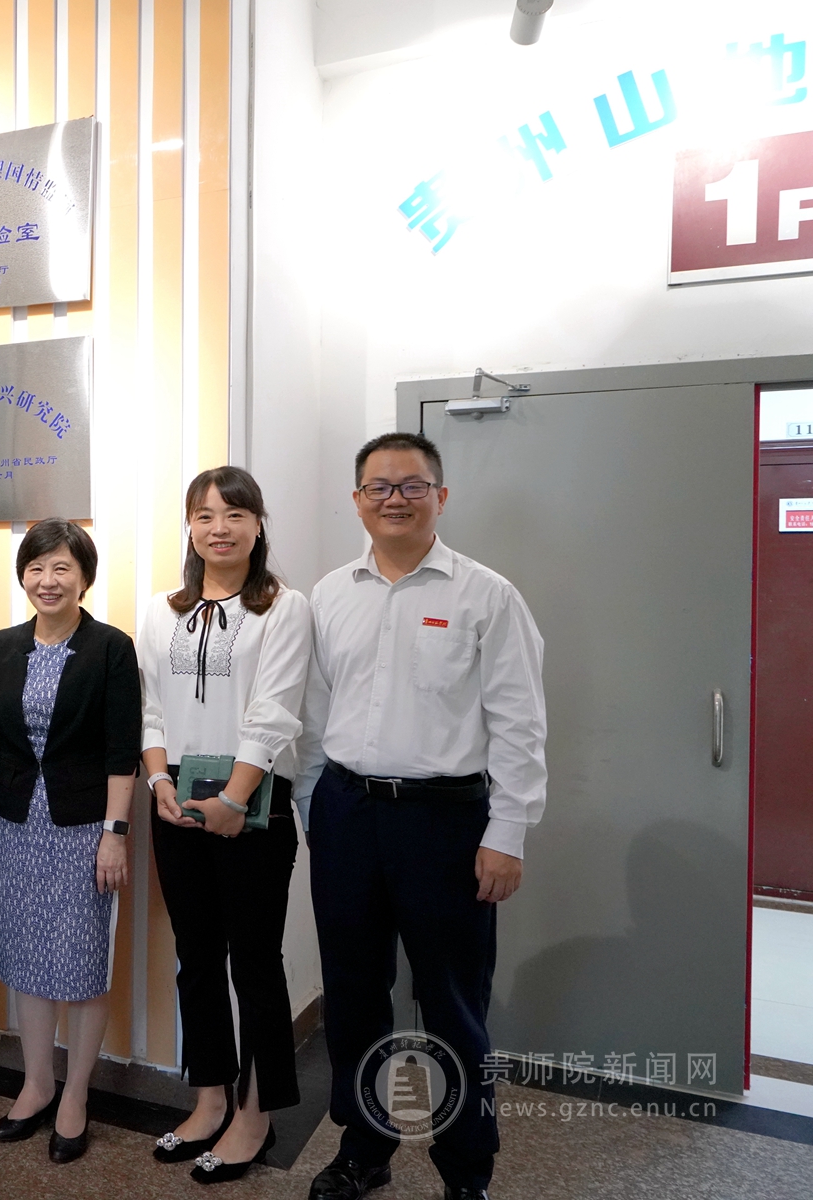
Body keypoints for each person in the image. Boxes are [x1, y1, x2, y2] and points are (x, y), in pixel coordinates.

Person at [296, 432, 545, 1200]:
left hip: (445, 823)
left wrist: (507, 833)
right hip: (347, 814)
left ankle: (466, 1170)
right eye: (379, 486)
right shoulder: (330, 595)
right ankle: (364, 1150)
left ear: (441, 495)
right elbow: (314, 715)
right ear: (357, 500)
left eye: (411, 485)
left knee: (452, 1004)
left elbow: (520, 724)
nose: (395, 499)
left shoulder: (486, 596)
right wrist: (315, 810)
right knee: (353, 995)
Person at [138, 467, 314, 1185]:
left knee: (256, 962)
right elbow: (150, 707)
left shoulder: (285, 607)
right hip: (176, 797)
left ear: (258, 525)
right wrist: (158, 784)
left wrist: (235, 801)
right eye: (205, 515)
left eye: (235, 514)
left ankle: (256, 1113)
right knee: (197, 956)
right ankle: (209, 1098)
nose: (220, 528)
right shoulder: (161, 611)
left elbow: (274, 711)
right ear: (189, 527)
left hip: (256, 801)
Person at [0, 518, 141, 1165]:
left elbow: (123, 753)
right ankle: (37, 1084)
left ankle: (76, 1094)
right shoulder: (1, 647)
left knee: (82, 960)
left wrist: (114, 835)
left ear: (84, 577)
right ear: (24, 576)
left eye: (62, 567)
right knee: (26, 955)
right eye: (37, 568)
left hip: (83, 829)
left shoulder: (110, 648)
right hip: (13, 825)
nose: (48, 580)